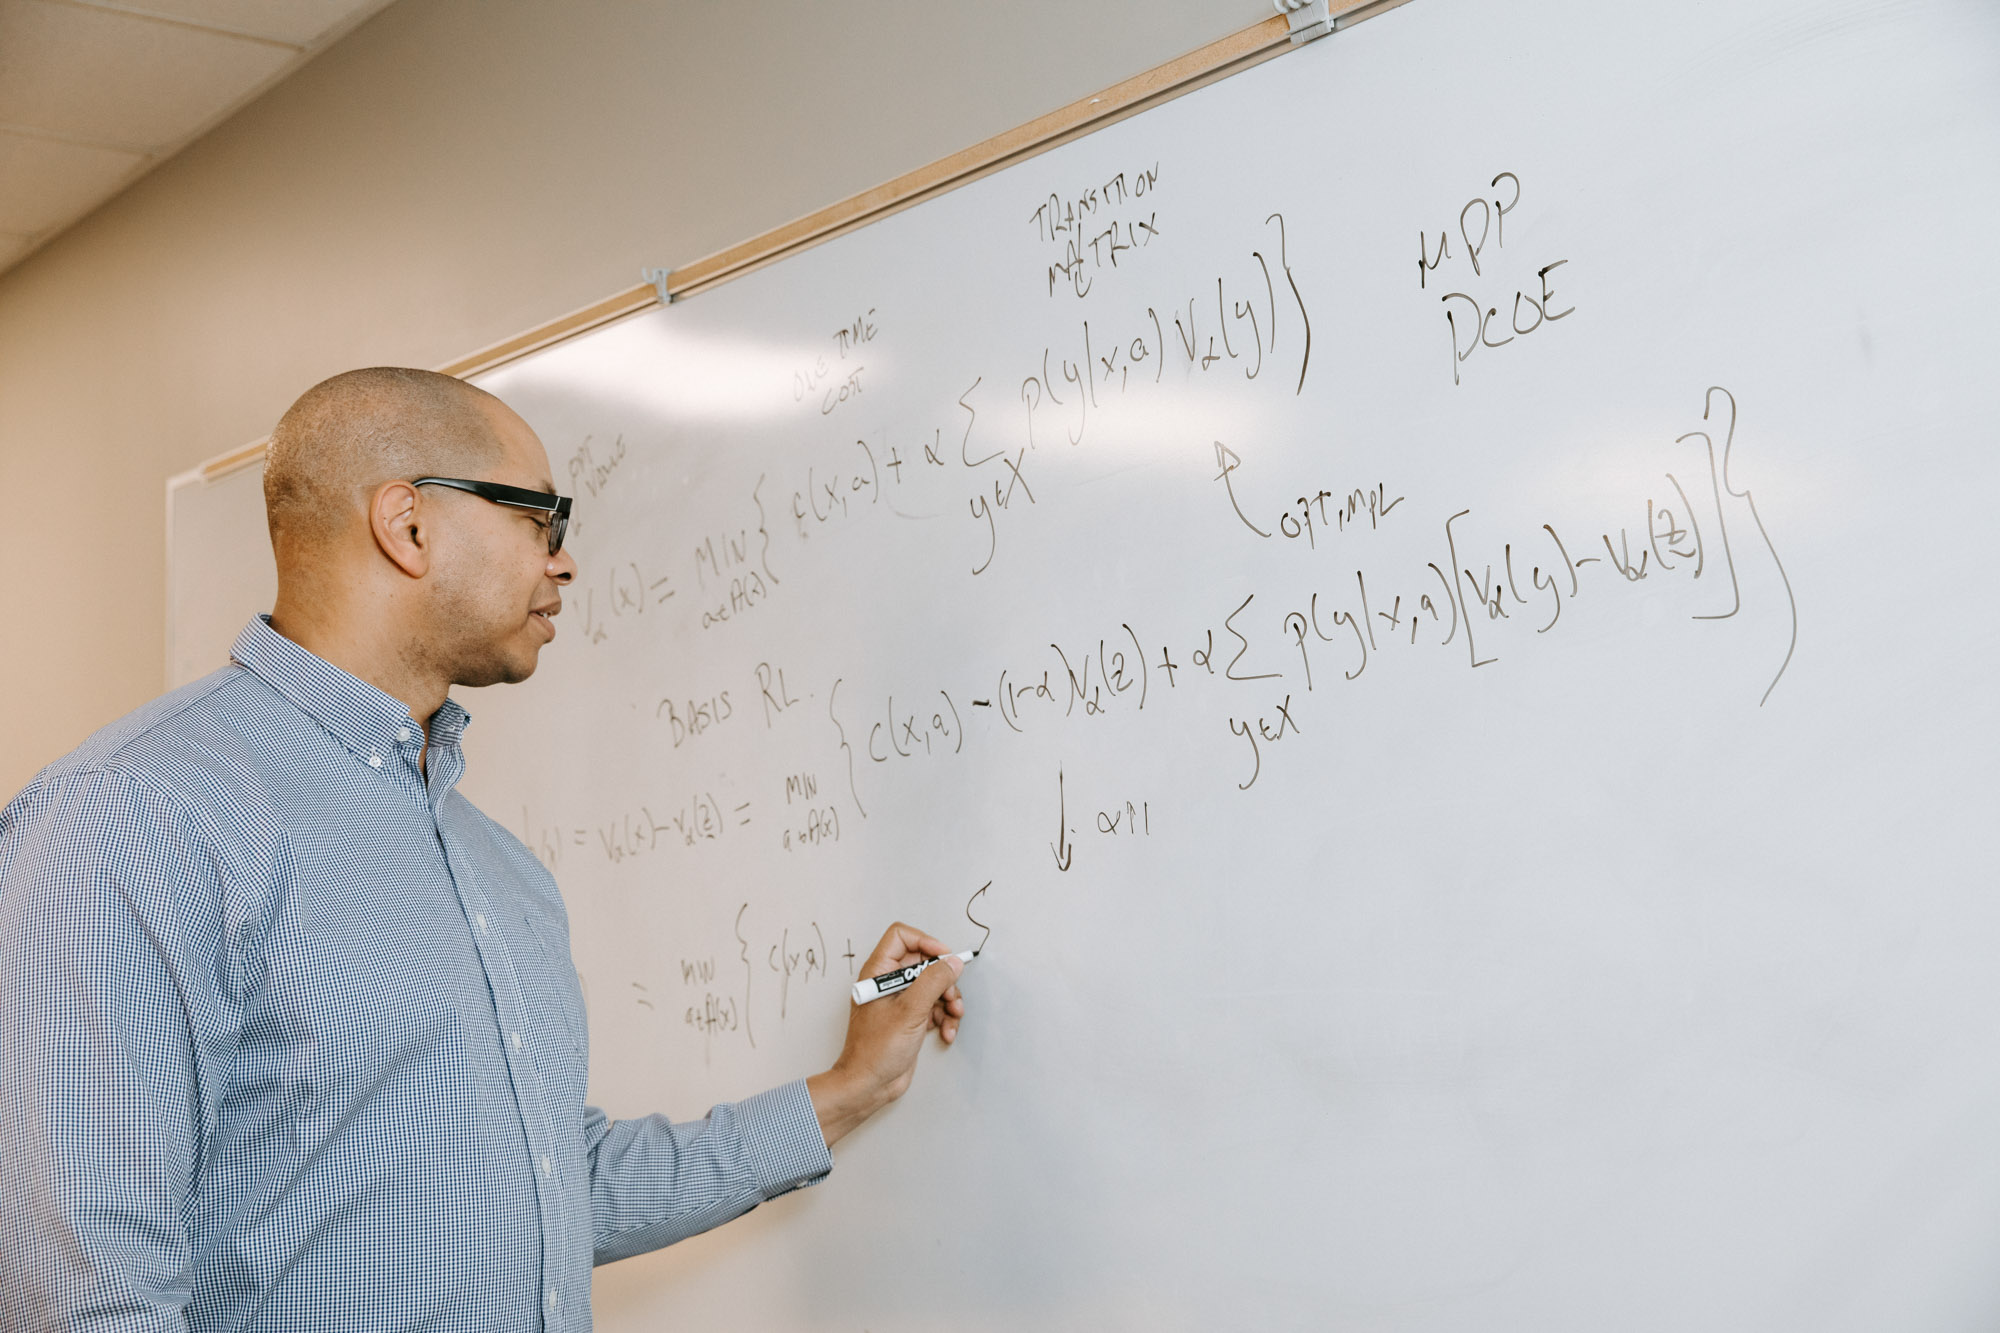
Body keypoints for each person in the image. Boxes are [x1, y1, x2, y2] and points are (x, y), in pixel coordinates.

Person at [0, 367, 969, 1331]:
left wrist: (850, 1087)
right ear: (408, 524)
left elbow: (550, 1183)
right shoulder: (135, 812)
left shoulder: (495, 868)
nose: (564, 561)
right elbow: (77, 1284)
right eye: (539, 517)